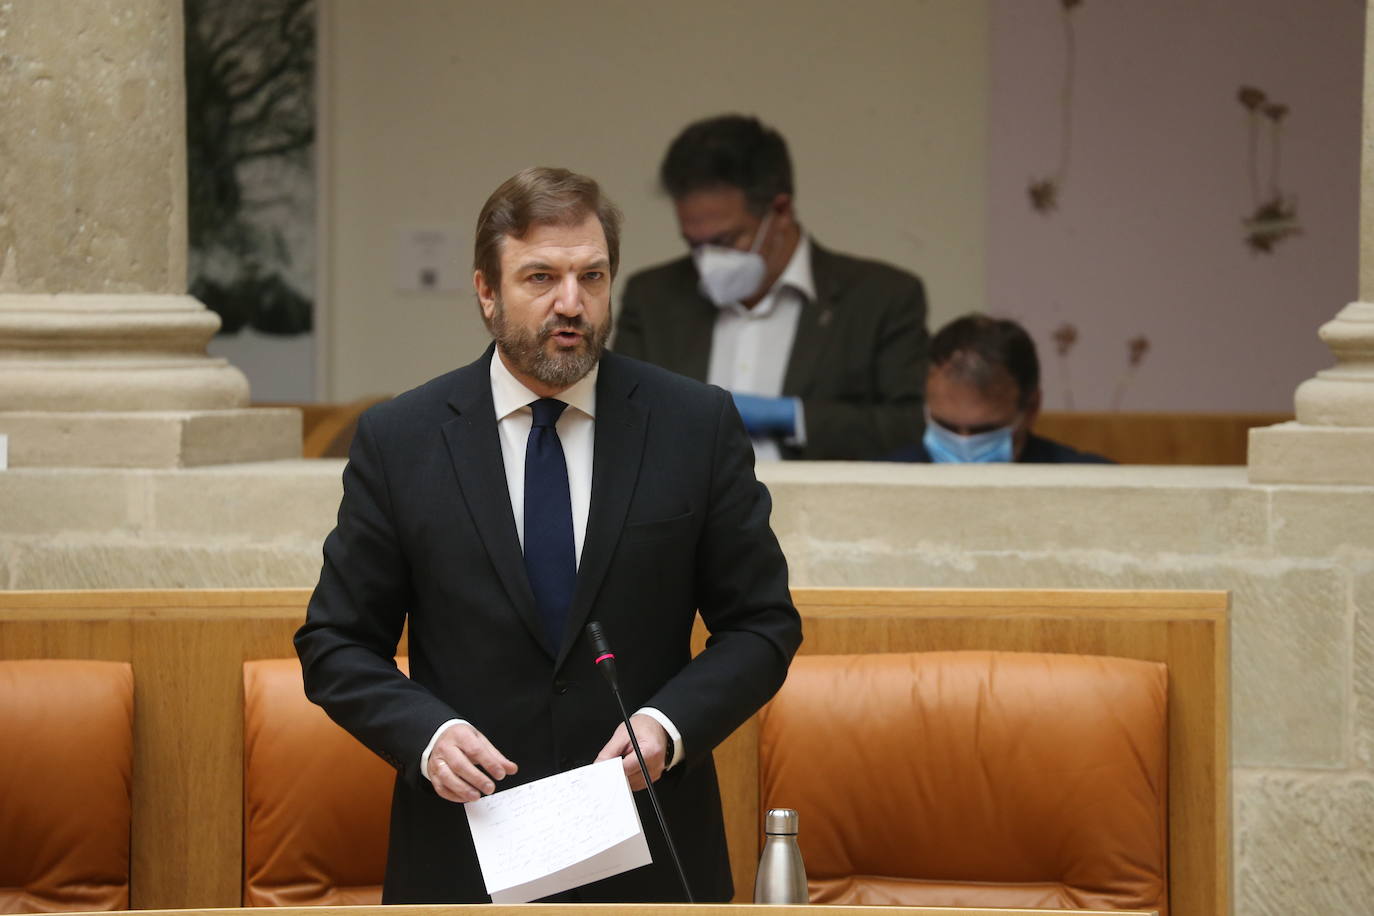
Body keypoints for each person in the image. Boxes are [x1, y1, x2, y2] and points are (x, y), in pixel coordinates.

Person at [295, 167, 802, 904]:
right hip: (465, 850)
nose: (572, 304)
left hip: (651, 847)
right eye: (541, 277)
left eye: (591, 277)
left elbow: (762, 624)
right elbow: (335, 643)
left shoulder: (693, 425)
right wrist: (427, 738)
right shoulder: (402, 439)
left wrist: (668, 725)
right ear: (486, 292)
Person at [614, 114, 928, 461]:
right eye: (694, 243)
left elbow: (909, 426)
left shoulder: (882, 297)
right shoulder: (652, 297)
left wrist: (794, 417)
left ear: (780, 211)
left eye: (725, 240)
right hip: (684, 511)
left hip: (825, 510)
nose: (707, 260)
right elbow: (620, 419)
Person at [890, 314, 1113, 463]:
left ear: (1031, 408)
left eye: (983, 431)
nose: (963, 444)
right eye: (945, 427)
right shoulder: (881, 483)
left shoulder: (1092, 487)